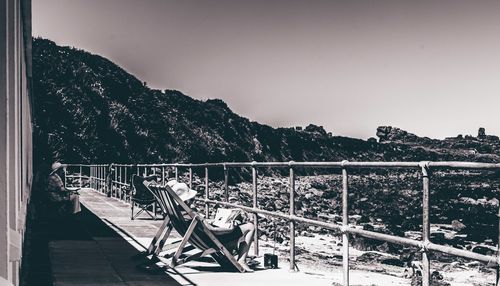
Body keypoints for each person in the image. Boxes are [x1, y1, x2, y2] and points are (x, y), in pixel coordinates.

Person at [167, 180, 256, 272]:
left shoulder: (179, 212)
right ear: (187, 199)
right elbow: (212, 230)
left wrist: (210, 221)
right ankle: (242, 260)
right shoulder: (191, 212)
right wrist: (230, 229)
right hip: (211, 241)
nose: (193, 200)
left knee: (235, 226)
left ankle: (232, 256)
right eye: (192, 198)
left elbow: (203, 226)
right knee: (250, 227)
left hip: (200, 239)